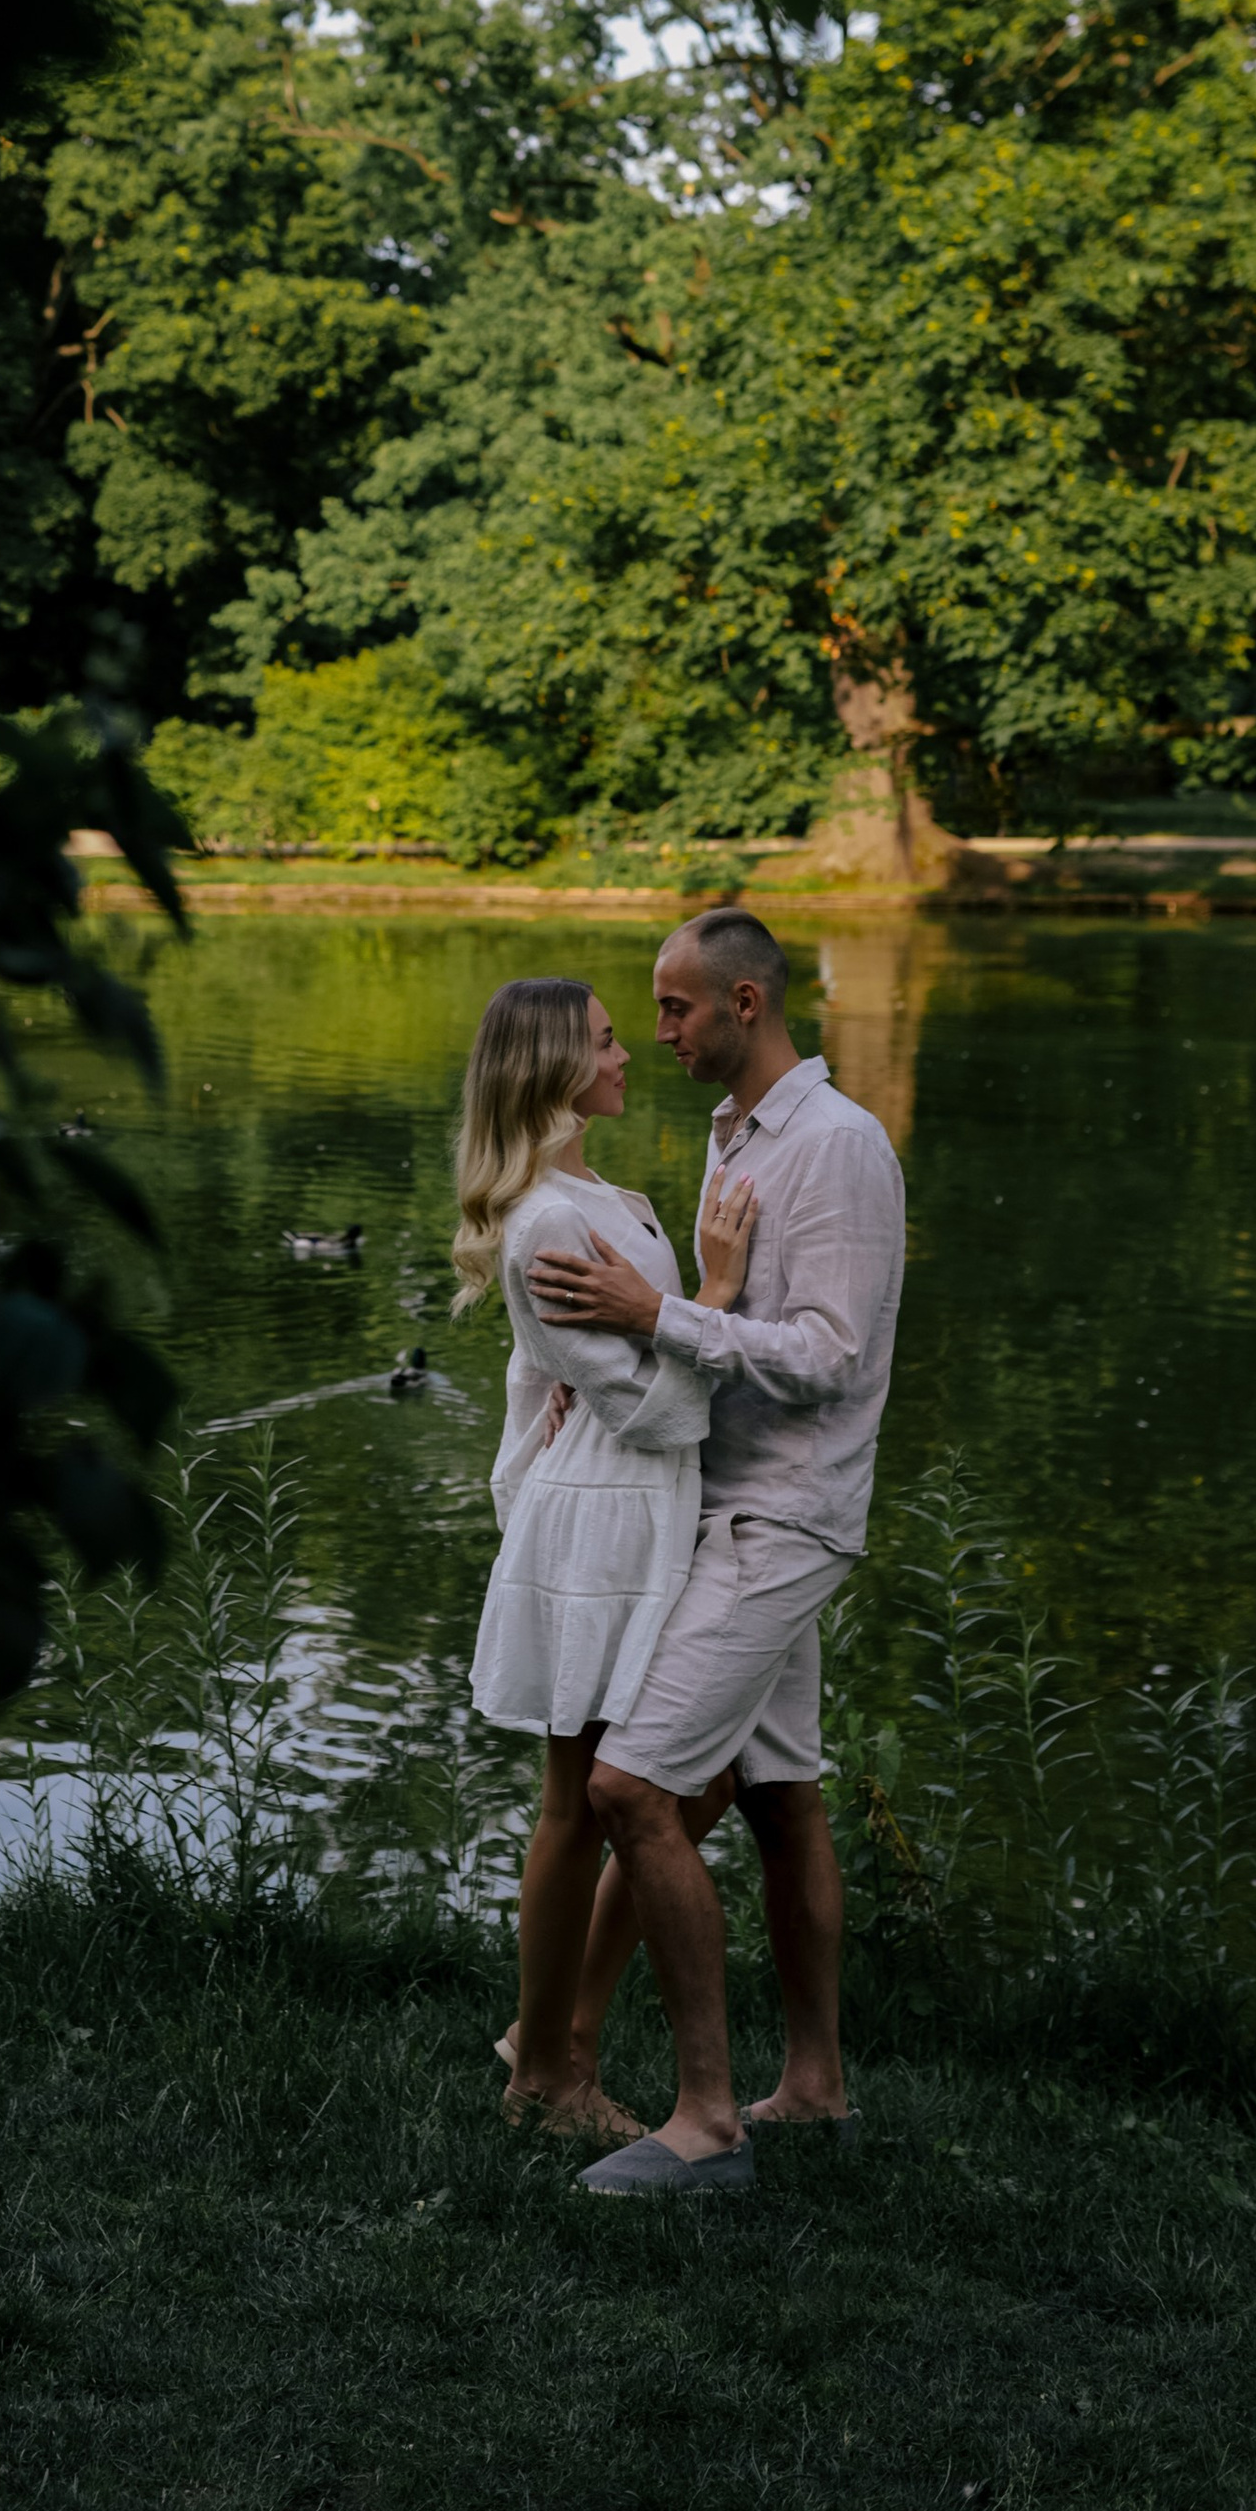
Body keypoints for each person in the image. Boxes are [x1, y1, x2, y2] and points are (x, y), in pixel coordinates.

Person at [529, 909, 906, 2195]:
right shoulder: (734, 1134)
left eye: (676, 1007)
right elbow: (714, 1326)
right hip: (719, 1496)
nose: (657, 1032)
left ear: (746, 1003)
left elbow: (830, 1357)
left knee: (630, 1790)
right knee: (779, 1797)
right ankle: (813, 2087)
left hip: (781, 1516)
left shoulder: (838, 1145)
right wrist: (621, 1364)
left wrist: (660, 1317)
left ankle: (704, 2126)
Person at [453, 974, 759, 2143]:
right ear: (552, 1068)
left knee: (692, 1778)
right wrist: (714, 1295)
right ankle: (546, 2076)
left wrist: (589, 1390)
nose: (629, 1054)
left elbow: (545, 1382)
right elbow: (655, 1411)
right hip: (605, 1517)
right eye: (605, 1041)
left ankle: (552, 2035)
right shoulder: (547, 1222)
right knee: (578, 1806)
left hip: (640, 1512)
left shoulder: (606, 1197)